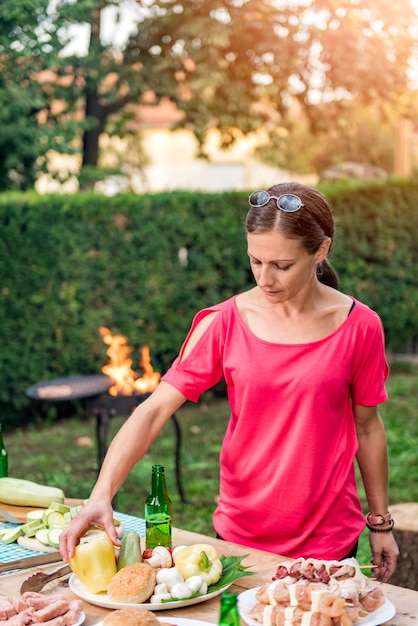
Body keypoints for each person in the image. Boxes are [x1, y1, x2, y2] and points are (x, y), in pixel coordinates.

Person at [59, 181, 399, 582]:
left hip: (328, 541)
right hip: (240, 538)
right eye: (255, 261)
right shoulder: (223, 321)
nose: (264, 278)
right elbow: (153, 411)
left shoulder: (360, 326)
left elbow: (368, 426)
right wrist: (102, 493)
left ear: (320, 251)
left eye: (281, 265)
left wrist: (380, 522)